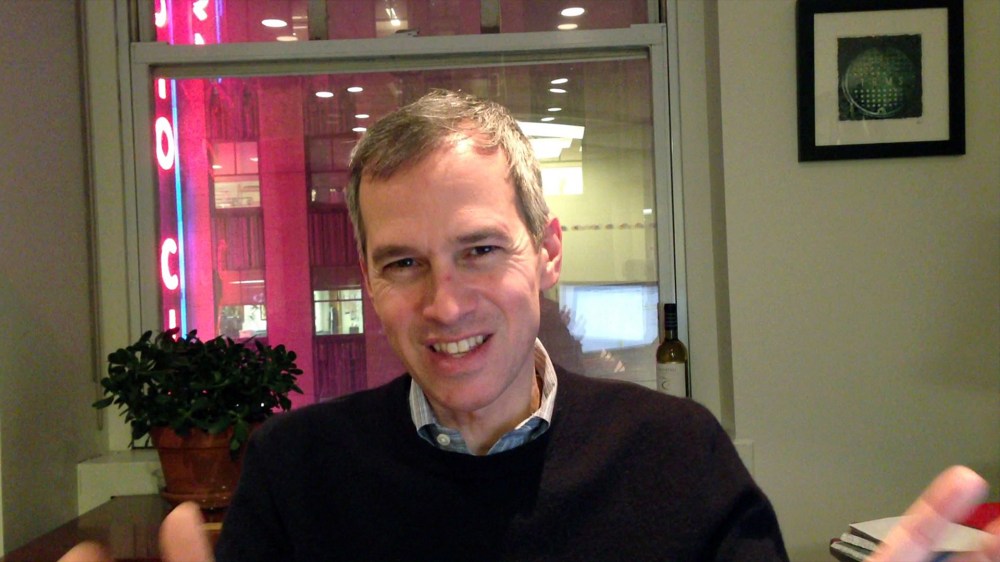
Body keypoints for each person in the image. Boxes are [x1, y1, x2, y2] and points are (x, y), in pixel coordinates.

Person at [61, 90, 1000, 562]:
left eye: (480, 250)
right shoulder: (294, 473)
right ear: (370, 282)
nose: (445, 304)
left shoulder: (679, 454)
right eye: (403, 263)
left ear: (547, 251)